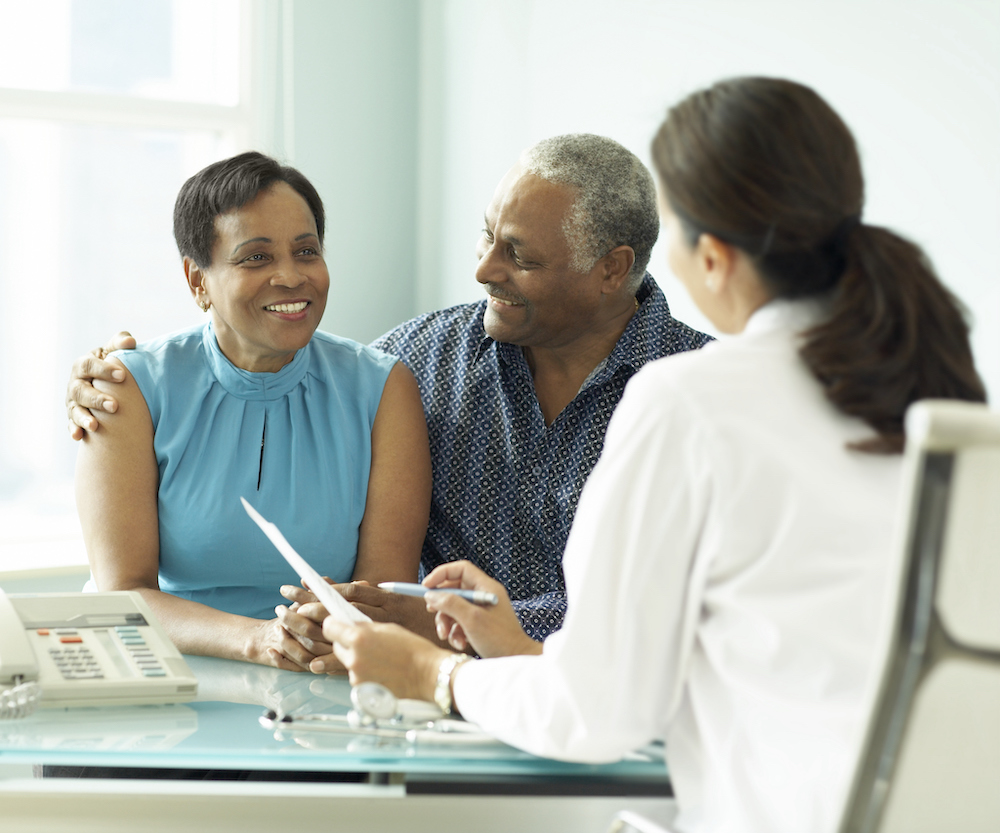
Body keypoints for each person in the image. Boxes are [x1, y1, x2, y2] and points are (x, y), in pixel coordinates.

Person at [311, 77, 988, 833]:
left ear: (713, 256)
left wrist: (437, 674)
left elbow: (594, 713)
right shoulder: (934, 400)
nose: (486, 269)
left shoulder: (689, 400)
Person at [65, 134, 712, 652]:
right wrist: (103, 377)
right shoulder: (424, 357)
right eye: (487, 237)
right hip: (434, 697)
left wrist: (449, 620)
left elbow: (690, 598)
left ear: (612, 269)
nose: (483, 270)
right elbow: (281, 355)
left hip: (625, 694)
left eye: (518, 255)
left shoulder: (712, 397)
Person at [74, 151, 430, 671]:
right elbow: (122, 594)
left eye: (306, 251)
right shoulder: (126, 388)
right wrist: (258, 638)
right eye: (255, 258)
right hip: (162, 672)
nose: (291, 277)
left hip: (318, 672)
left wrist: (327, 624)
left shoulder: (383, 388)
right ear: (198, 280)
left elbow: (375, 595)